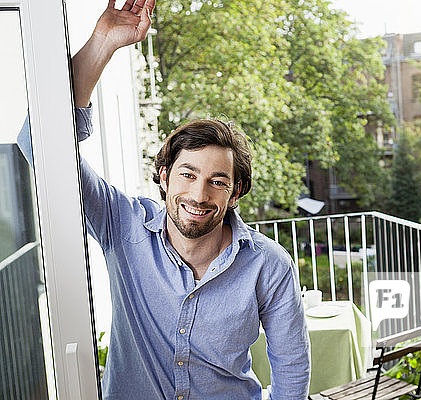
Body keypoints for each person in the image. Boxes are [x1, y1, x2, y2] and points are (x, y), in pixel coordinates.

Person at [43, 0, 310, 398]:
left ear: (236, 192)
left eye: (218, 181)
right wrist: (102, 42)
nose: (199, 195)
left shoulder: (269, 265)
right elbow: (41, 145)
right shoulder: (122, 223)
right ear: (165, 176)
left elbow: (292, 370)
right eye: (188, 174)